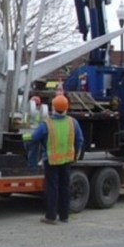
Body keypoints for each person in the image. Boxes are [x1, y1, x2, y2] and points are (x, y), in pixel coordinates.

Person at [30, 94, 84, 225]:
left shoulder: (47, 124)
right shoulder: (73, 122)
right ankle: (64, 216)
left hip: (52, 161)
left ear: (53, 108)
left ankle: (51, 216)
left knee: (52, 188)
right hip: (67, 160)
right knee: (65, 187)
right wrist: (75, 156)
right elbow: (80, 140)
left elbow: (34, 138)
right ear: (66, 108)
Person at [22, 96, 47, 168]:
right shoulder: (38, 113)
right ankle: (32, 169)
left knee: (30, 156)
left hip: (26, 137)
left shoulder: (25, 113)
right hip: (32, 137)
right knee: (32, 156)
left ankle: (31, 168)